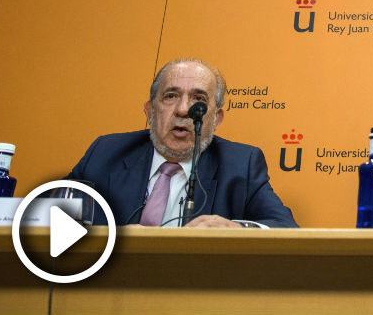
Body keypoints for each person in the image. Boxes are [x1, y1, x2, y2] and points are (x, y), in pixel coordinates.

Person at [67, 58, 298, 228]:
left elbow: (285, 228)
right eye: (171, 96)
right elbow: (44, 212)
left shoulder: (240, 165)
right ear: (150, 111)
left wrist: (236, 229)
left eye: (198, 100)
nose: (183, 110)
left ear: (216, 119)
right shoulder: (107, 152)